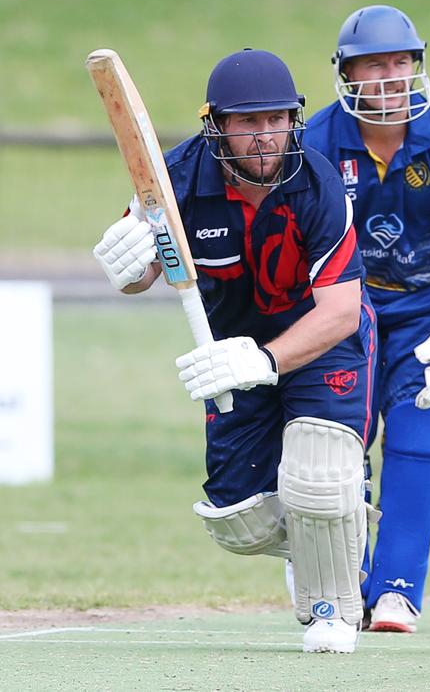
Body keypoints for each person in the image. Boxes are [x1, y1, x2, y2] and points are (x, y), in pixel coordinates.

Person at [93, 48, 377, 654]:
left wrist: (267, 361)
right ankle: (327, 526)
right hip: (230, 348)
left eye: (276, 119)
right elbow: (148, 267)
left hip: (318, 342)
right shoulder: (175, 181)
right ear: (216, 123)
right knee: (236, 519)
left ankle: (331, 606)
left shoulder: (319, 182)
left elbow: (341, 310)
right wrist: (128, 265)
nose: (266, 135)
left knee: (318, 473)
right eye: (249, 122)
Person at [303, 5, 430, 633]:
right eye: (374, 65)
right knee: (339, 445)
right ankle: (342, 584)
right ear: (347, 73)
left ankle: (396, 591)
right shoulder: (316, 142)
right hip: (343, 308)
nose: (391, 77)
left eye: (401, 63)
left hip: (425, 311)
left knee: (418, 434)